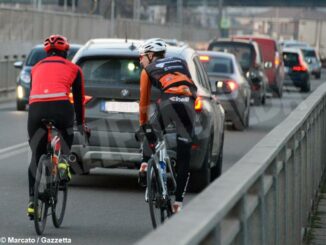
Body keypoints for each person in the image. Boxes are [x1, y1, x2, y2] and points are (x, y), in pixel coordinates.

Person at [27, 35, 86, 218]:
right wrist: (81, 123)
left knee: (36, 155)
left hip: (36, 109)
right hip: (61, 107)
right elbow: (78, 101)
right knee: (67, 131)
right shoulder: (74, 69)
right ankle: (63, 161)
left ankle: (32, 203)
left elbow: (34, 93)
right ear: (66, 52)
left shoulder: (35, 68)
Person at [137, 38, 197, 213]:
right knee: (184, 154)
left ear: (150, 55)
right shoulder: (181, 61)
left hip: (169, 103)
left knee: (150, 130)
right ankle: (178, 202)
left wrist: (143, 125)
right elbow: (189, 84)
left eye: (141, 57)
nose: (140, 61)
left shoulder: (147, 70)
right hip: (188, 103)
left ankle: (145, 164)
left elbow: (144, 102)